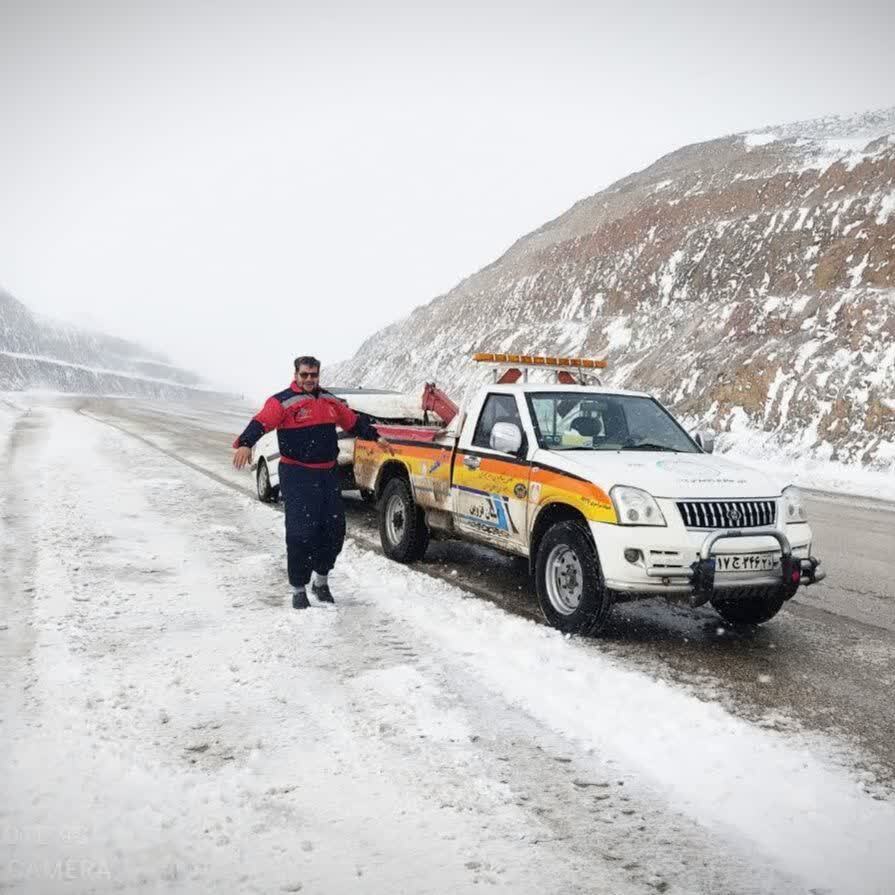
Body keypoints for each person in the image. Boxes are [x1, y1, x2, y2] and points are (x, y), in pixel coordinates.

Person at [232, 355, 392, 609]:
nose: (309, 379)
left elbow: (352, 421)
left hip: (327, 474)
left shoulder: (329, 401)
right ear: (296, 374)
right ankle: (298, 588)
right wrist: (244, 443)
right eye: (304, 375)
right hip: (296, 474)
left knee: (334, 530)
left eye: (313, 375)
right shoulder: (282, 401)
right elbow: (260, 422)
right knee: (301, 533)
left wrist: (376, 436)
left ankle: (321, 580)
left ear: (318, 375)